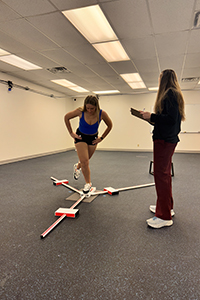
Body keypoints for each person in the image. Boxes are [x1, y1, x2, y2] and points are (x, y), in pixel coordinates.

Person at [140, 69, 185, 228]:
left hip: (164, 141)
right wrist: (149, 118)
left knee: (161, 176)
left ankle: (164, 216)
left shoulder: (170, 94)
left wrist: (151, 116)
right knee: (164, 175)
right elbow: (167, 120)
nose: (158, 82)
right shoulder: (173, 94)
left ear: (164, 79)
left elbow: (170, 119)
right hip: (167, 139)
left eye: (159, 79)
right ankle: (166, 207)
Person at [64, 95, 112, 194]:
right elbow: (66, 117)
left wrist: (101, 138)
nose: (89, 110)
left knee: (85, 160)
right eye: (88, 108)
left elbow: (110, 125)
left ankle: (77, 167)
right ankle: (88, 183)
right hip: (80, 137)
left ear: (96, 107)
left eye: (92, 108)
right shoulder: (80, 111)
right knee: (85, 162)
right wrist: (71, 133)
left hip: (93, 139)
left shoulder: (101, 113)